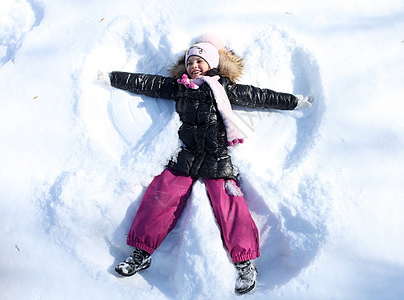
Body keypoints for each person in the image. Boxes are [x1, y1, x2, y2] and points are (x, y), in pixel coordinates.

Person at [101, 35, 312, 295]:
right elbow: (148, 83)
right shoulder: (181, 87)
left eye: (200, 61)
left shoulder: (224, 88)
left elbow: (259, 96)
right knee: (161, 198)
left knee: (230, 207)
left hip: (216, 156)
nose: (194, 66)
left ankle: (245, 263)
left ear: (211, 64)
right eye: (191, 62)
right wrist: (113, 77)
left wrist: (293, 101)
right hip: (187, 154)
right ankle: (140, 254)